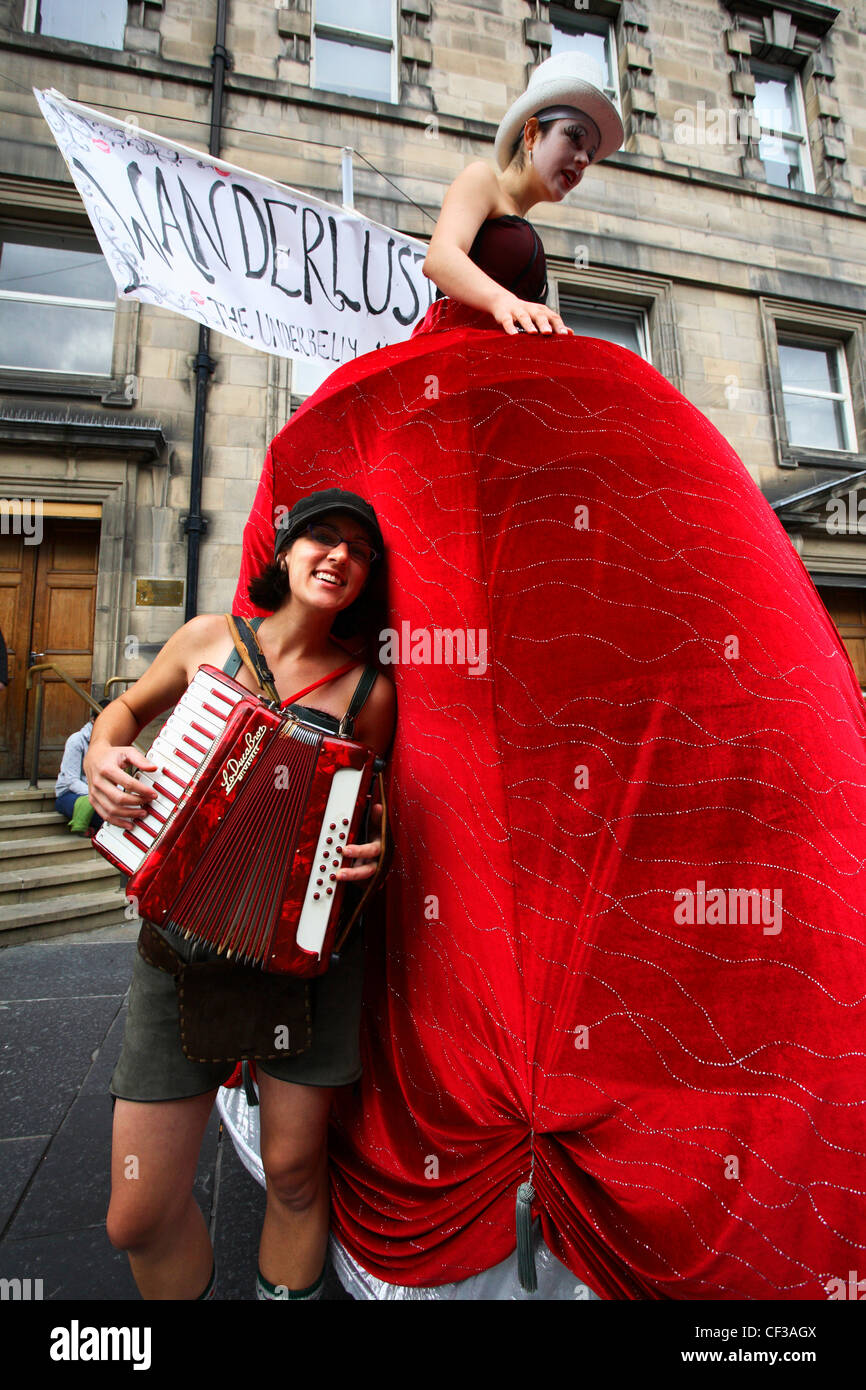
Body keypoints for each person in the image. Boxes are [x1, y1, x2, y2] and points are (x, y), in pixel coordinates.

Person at [232, 53, 866, 1300]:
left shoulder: (543, 239)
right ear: (530, 123)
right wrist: (516, 315)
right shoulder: (480, 183)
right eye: (570, 135)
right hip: (456, 387)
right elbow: (439, 265)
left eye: (594, 150)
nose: (578, 161)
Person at [86, 489, 395, 1301]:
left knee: (295, 1174)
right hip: (179, 954)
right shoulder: (208, 641)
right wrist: (100, 758)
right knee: (136, 1215)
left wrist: (377, 847)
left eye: (360, 551)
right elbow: (121, 714)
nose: (339, 557)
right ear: (285, 553)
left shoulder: (369, 694)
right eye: (322, 539)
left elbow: (373, 812)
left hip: (300, 963)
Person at [55, 700, 110, 834]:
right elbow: (71, 781)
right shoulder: (76, 740)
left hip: (99, 793)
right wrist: (99, 794)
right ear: (93, 720)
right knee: (101, 810)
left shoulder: (109, 742)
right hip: (70, 794)